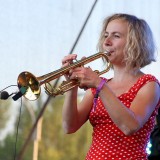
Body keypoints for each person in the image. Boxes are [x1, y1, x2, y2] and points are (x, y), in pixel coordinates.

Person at [61, 13, 160, 160]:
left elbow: (129, 126)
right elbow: (69, 126)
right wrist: (72, 85)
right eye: (106, 35)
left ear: (135, 42)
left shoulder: (148, 84)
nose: (106, 41)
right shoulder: (99, 87)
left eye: (116, 36)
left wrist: (99, 84)